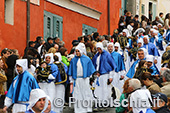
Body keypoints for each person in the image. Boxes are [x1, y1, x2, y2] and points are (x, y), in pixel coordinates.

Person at [68, 45, 96, 113]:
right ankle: (79, 109)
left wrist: (90, 78)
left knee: (86, 93)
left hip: (85, 79)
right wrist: (71, 80)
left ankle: (87, 108)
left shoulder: (87, 59)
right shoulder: (73, 60)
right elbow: (71, 71)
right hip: (77, 79)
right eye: (76, 51)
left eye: (78, 51)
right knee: (77, 94)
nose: (77, 53)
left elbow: (91, 69)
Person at [92, 42, 117, 110]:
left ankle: (104, 104)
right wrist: (95, 72)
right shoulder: (96, 56)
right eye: (98, 49)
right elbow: (94, 65)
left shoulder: (107, 55)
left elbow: (112, 66)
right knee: (97, 89)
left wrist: (110, 76)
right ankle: (98, 103)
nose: (99, 51)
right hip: (98, 75)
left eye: (100, 49)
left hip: (105, 74)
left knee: (105, 90)